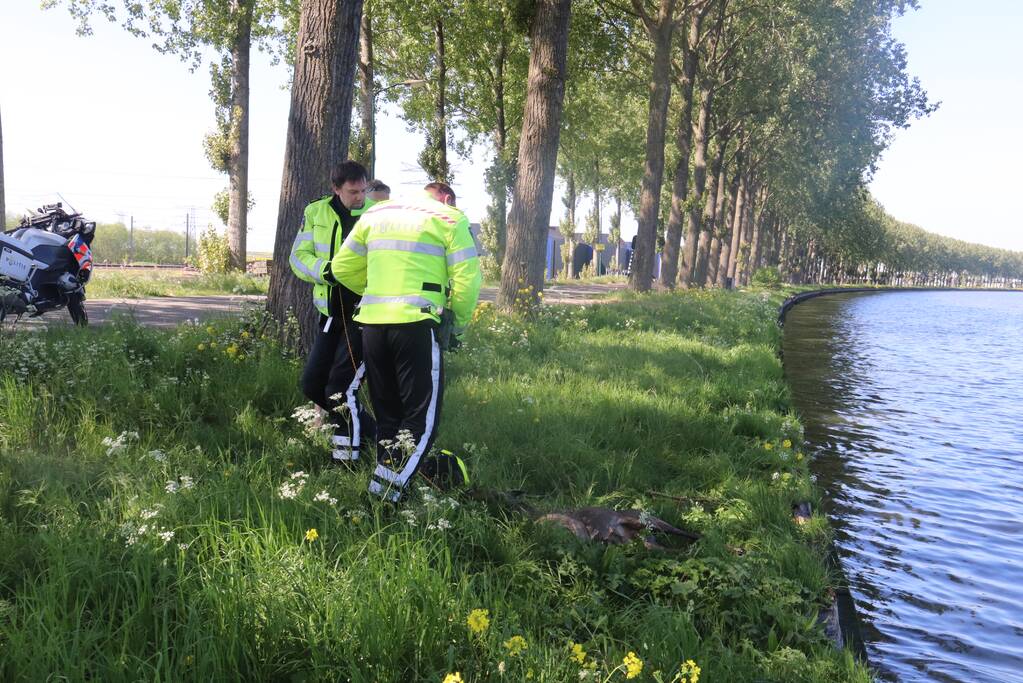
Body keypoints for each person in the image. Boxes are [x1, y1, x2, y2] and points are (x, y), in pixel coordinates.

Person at [330, 181, 482, 501]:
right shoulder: (451, 219)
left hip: (372, 324)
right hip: (417, 323)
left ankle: (389, 491)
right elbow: (467, 281)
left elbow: (342, 267)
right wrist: (457, 326)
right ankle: (382, 498)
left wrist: (376, 292)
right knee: (420, 422)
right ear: (446, 198)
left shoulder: (376, 213)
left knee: (389, 417)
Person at [289, 161, 376, 464]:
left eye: (364, 190)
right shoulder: (315, 212)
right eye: (353, 192)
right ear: (336, 189)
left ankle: (346, 458)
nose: (360, 197)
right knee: (313, 385)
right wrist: (326, 271)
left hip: (364, 316)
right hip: (329, 312)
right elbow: (298, 257)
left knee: (340, 389)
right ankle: (374, 436)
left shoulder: (376, 215)